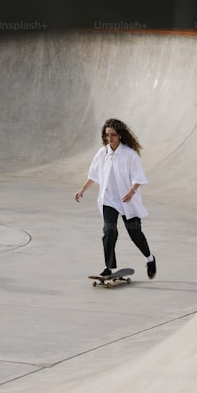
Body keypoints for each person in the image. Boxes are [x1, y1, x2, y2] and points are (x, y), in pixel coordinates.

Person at [74, 118, 157, 279]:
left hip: (127, 200)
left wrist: (132, 191)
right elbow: (93, 174)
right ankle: (108, 267)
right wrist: (82, 189)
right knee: (109, 231)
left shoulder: (129, 154)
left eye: (113, 135)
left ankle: (150, 258)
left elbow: (138, 177)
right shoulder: (102, 153)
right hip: (109, 200)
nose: (109, 138)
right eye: (107, 135)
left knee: (135, 233)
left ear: (120, 135)